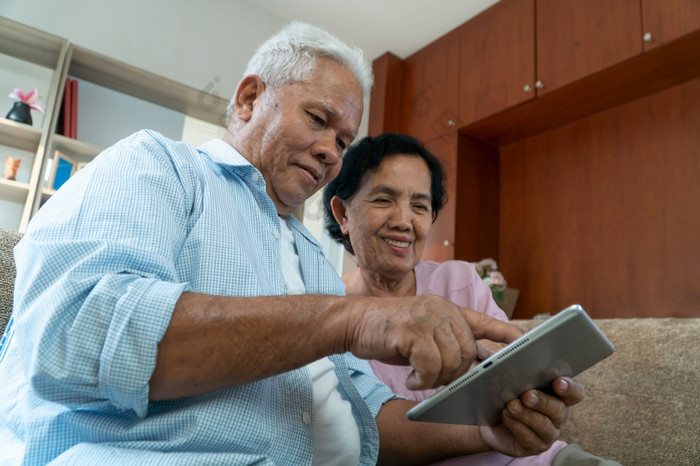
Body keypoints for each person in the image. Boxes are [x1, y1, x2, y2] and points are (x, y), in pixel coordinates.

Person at [0, 23, 583, 465]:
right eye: (318, 119)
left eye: (345, 137)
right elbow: (72, 336)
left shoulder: (310, 259)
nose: (333, 150)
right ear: (251, 99)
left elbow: (369, 422)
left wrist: (485, 431)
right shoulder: (157, 166)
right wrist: (349, 320)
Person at [323, 132, 622, 465]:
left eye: (420, 206)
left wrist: (541, 388)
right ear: (343, 213)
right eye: (383, 200)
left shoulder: (459, 281)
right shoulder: (326, 315)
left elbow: (510, 370)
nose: (404, 221)